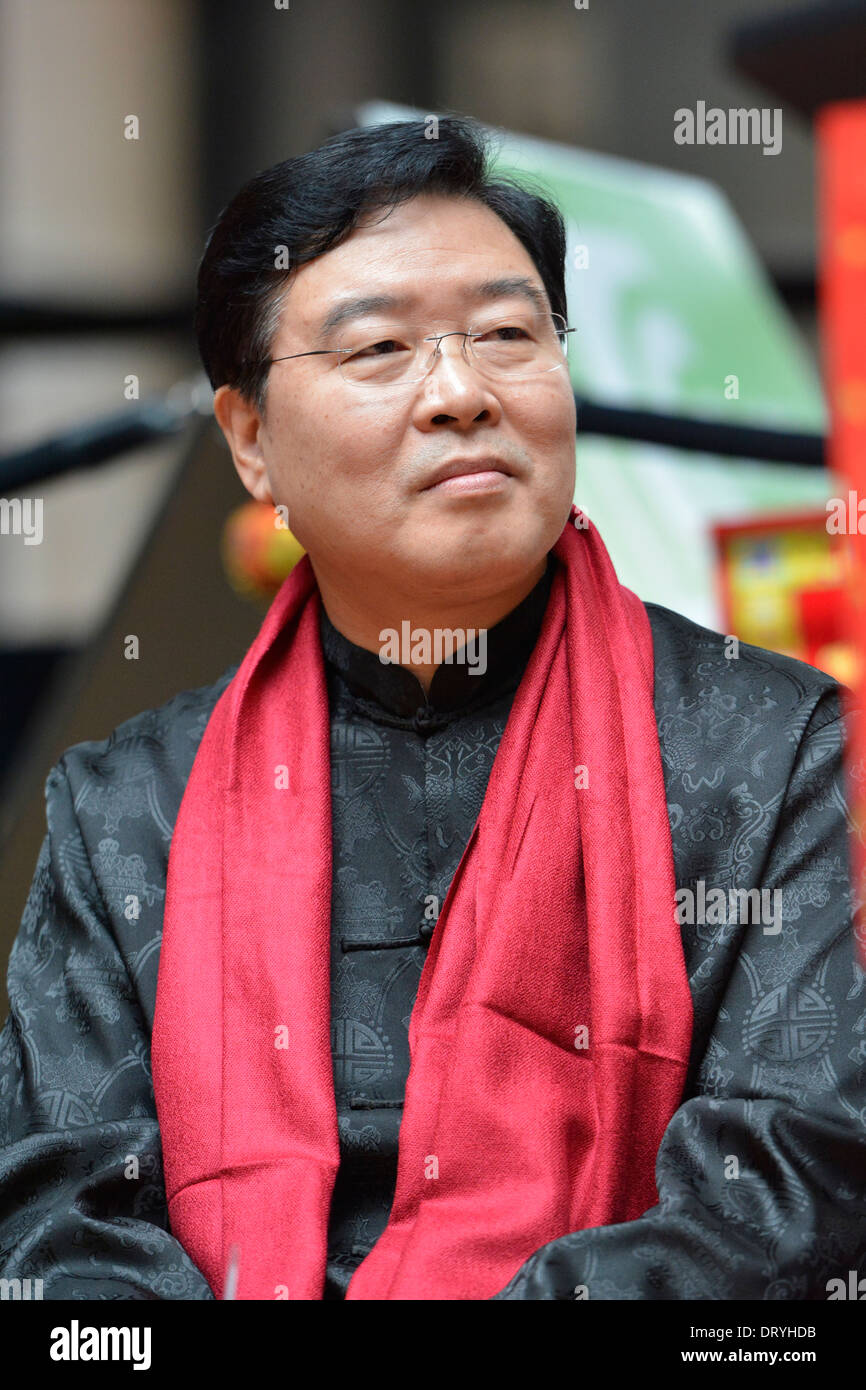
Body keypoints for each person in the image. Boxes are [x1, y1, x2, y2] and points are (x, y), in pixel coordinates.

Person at [1, 115, 865, 1301]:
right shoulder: (121, 808)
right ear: (249, 441)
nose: (461, 391)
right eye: (379, 350)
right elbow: (57, 1221)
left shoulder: (768, 746)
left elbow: (788, 1195)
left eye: (509, 334)